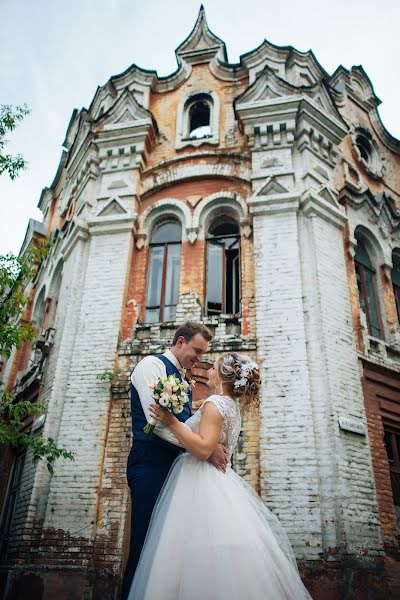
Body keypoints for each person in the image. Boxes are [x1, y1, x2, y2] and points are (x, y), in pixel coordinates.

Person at [128, 353, 313, 600]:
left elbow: (204, 448)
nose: (210, 371)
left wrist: (171, 421)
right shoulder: (230, 407)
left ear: (223, 376)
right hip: (218, 479)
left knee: (186, 549)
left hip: (198, 478)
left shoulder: (215, 403)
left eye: (213, 367)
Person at [120, 321, 229, 600]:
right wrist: (203, 449)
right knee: (145, 543)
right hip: (150, 465)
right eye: (197, 350)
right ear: (180, 341)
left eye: (204, 354)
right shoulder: (151, 367)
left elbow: (182, 423)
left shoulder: (184, 379)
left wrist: (209, 442)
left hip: (177, 469)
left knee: (168, 549)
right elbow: (155, 424)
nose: (199, 358)